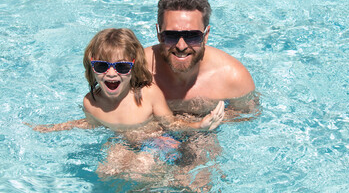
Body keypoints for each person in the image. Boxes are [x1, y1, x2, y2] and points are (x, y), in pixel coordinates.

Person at [27, 28, 225, 180]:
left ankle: (166, 183)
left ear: (134, 65)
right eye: (102, 66)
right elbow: (92, 124)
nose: (111, 73)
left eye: (121, 66)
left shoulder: (148, 95)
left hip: (157, 140)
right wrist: (55, 128)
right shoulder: (91, 103)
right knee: (106, 170)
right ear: (92, 65)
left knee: (141, 168)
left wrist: (199, 126)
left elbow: (171, 124)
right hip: (123, 142)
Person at [144, 0, 257, 121]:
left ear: (206, 35)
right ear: (158, 33)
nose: (181, 46)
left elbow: (249, 114)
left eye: (192, 36)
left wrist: (198, 127)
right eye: (171, 35)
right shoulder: (137, 70)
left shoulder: (232, 77)